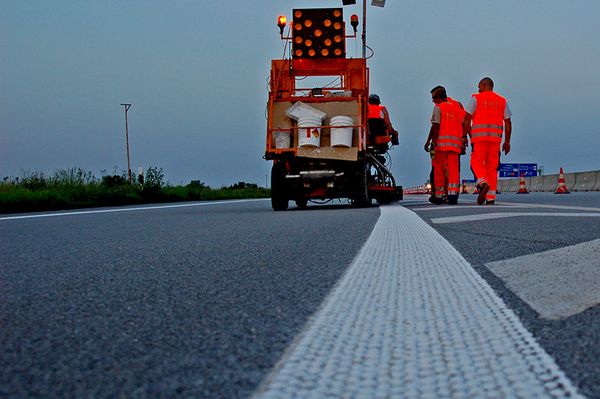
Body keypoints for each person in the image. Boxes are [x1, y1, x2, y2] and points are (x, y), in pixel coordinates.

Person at [464, 77, 512, 205]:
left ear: (485, 86)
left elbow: (466, 119)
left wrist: (467, 136)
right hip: (496, 140)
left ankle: (482, 183)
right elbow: (508, 122)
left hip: (479, 138)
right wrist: (507, 142)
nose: (478, 89)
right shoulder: (502, 100)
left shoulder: (476, 98)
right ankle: (490, 198)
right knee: (492, 167)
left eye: (479, 86)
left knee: (476, 162)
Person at [425, 86, 467, 205]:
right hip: (455, 146)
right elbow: (464, 124)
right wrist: (464, 140)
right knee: (453, 171)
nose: (433, 100)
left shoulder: (438, 107)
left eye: (433, 98)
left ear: (439, 98)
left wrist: (431, 142)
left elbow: (436, 126)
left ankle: (439, 195)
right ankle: (452, 195)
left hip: (441, 145)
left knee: (438, 170)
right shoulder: (456, 108)